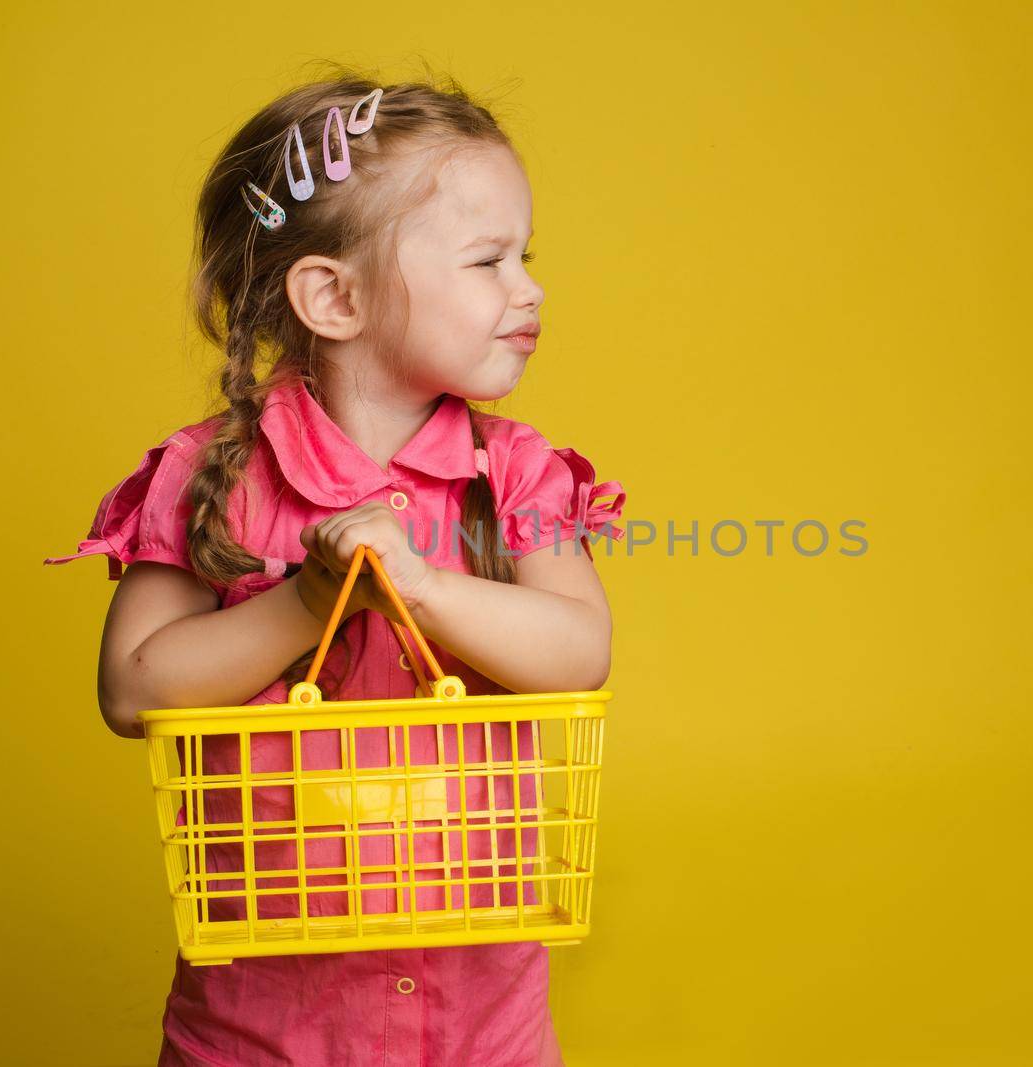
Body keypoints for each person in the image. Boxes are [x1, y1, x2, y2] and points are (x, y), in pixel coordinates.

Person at [44, 70, 627, 1067]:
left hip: (478, 1019)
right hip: (264, 1023)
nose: (529, 288)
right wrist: (311, 597)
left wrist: (424, 583)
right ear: (333, 295)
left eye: (524, 256)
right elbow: (133, 688)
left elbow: (579, 650)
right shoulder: (207, 476)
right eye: (487, 259)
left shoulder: (516, 470)